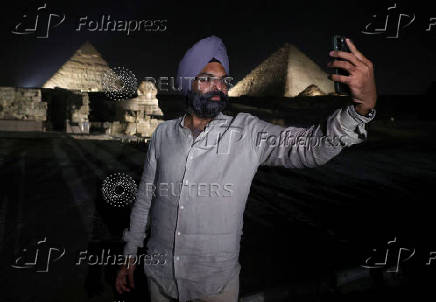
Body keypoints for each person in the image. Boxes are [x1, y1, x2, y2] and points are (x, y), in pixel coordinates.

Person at [115, 35, 377, 302]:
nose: (218, 87)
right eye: (207, 79)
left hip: (215, 287)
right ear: (187, 82)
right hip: (160, 281)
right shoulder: (163, 135)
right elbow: (145, 199)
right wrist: (130, 253)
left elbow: (309, 148)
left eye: (223, 80)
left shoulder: (247, 132)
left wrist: (361, 108)